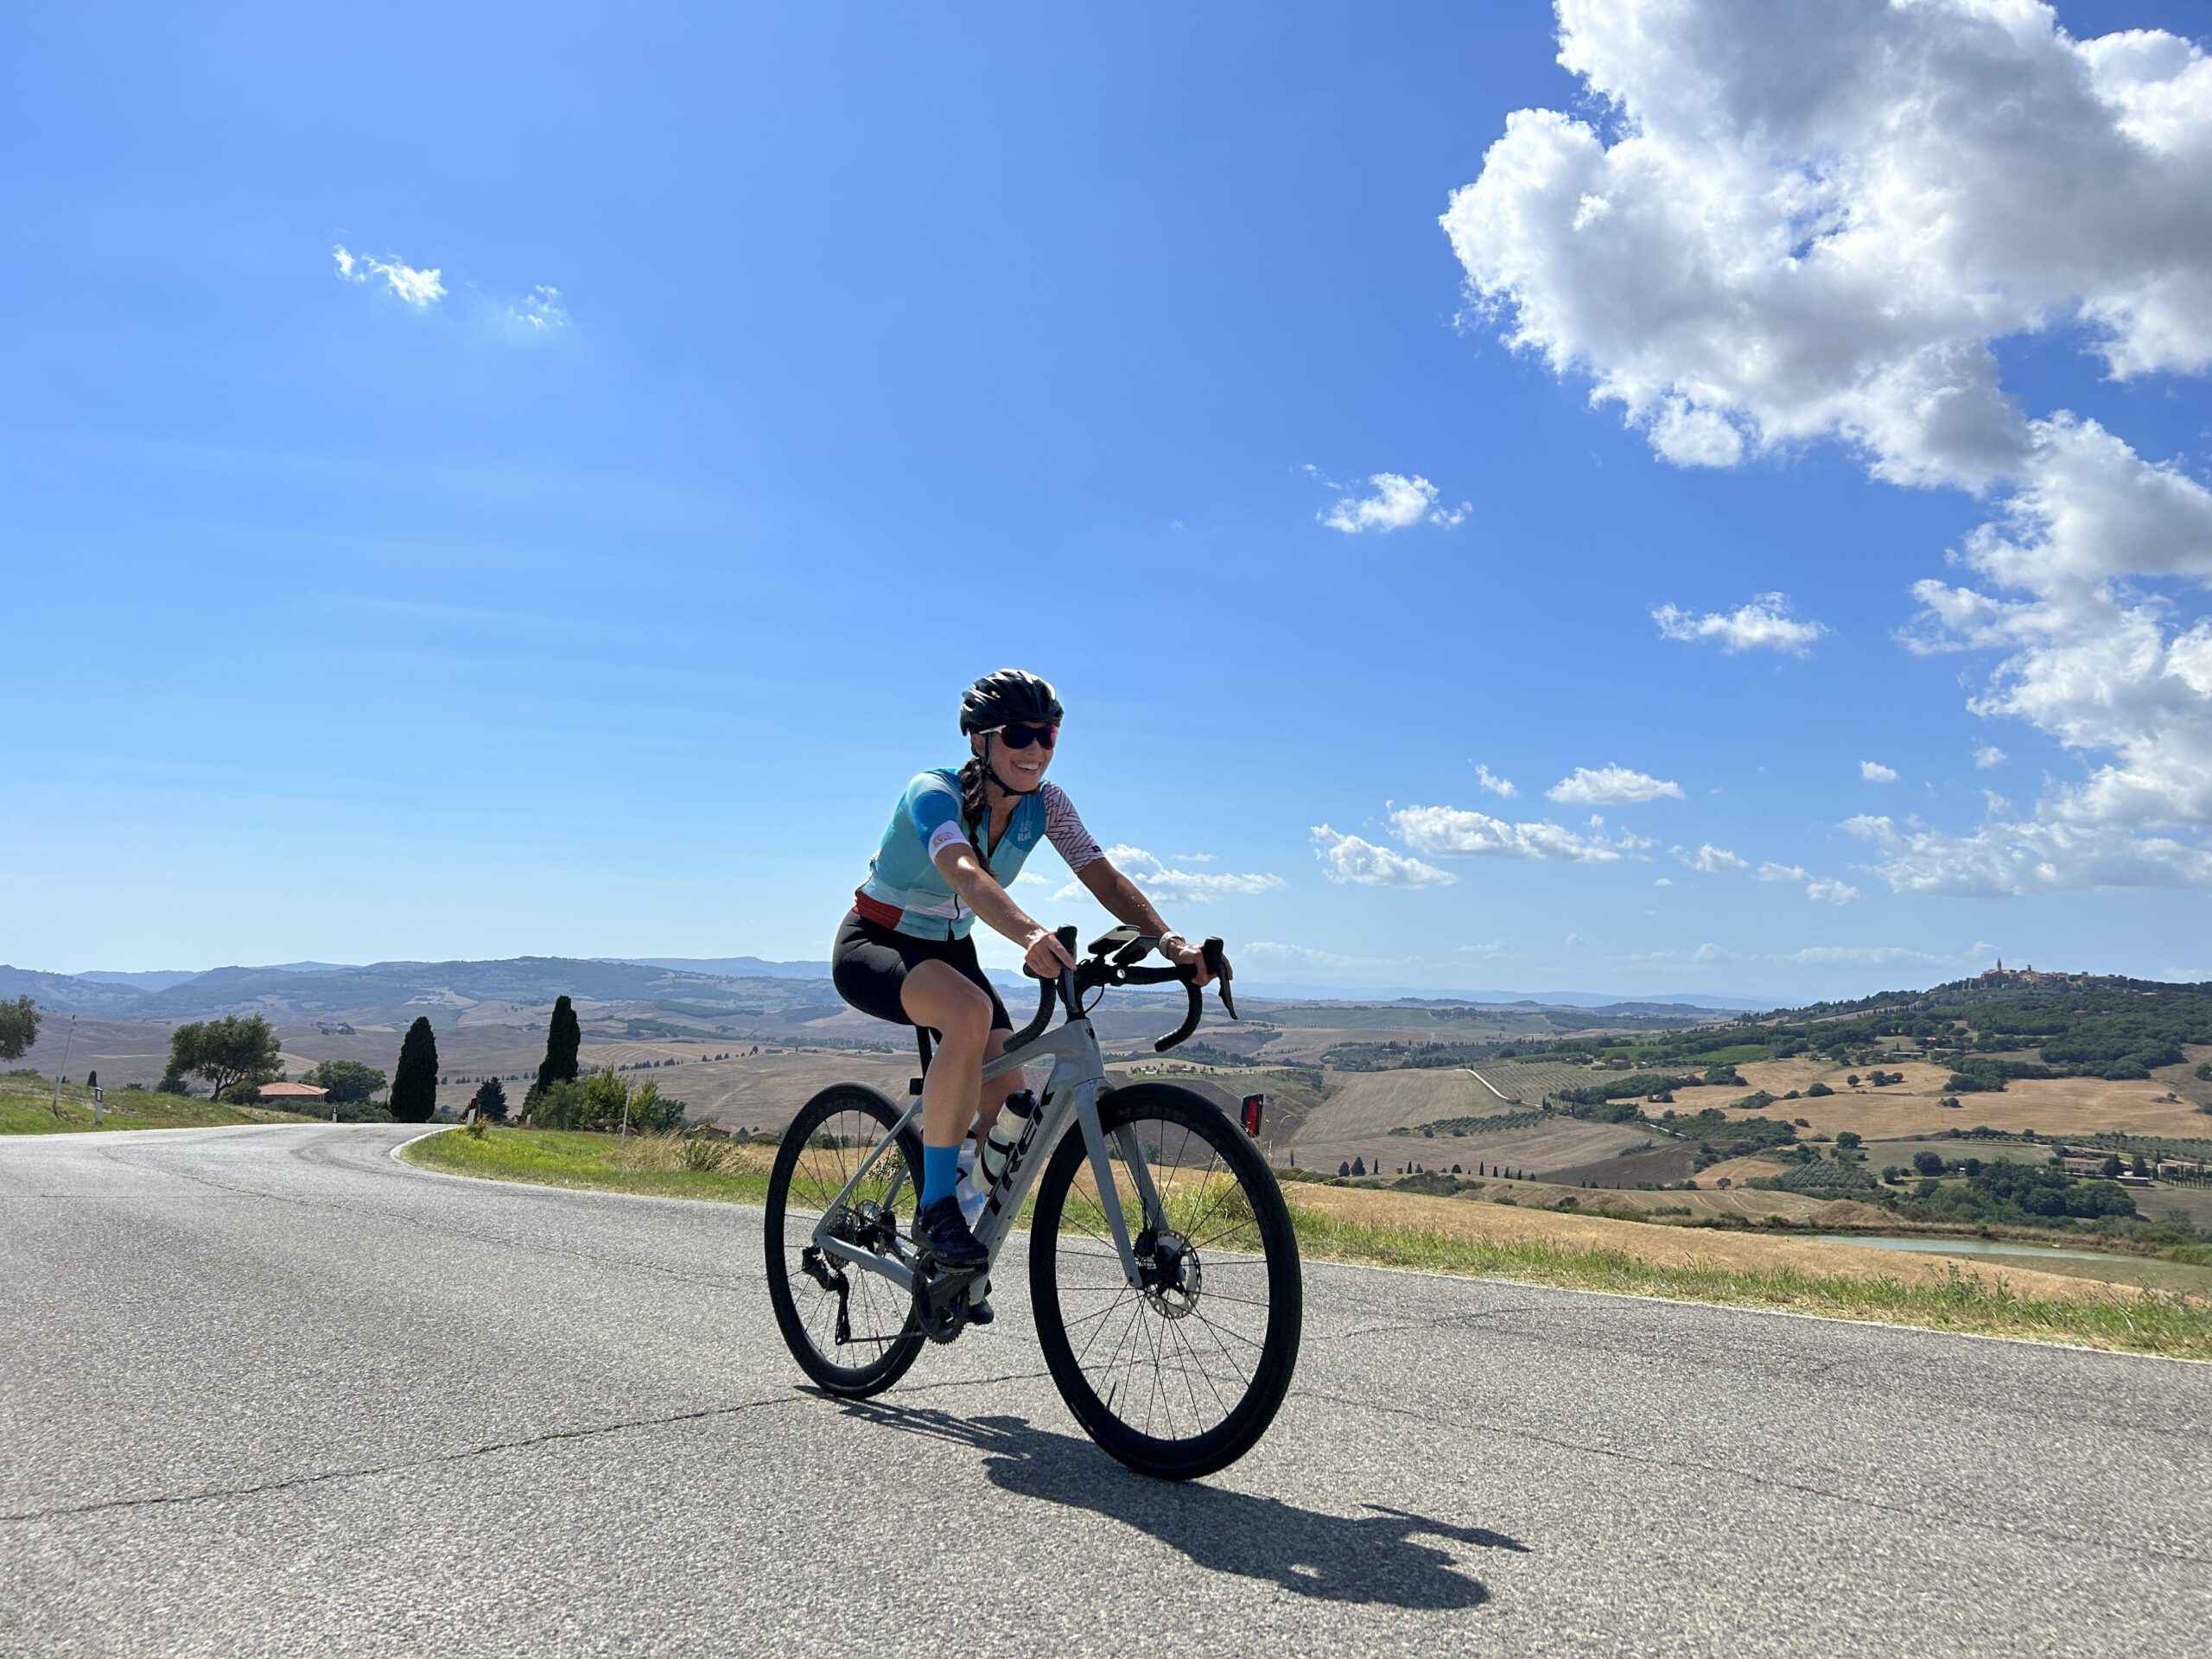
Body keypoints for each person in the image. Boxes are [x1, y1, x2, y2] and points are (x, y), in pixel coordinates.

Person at [829, 668, 1218, 1299]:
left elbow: (1104, 877)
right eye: (1019, 734)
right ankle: (935, 1207)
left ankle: (952, 1265)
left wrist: (1172, 942)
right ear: (981, 740)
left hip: (951, 951)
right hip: (877, 942)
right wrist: (1030, 935)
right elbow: (962, 871)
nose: (1035, 748)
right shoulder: (934, 793)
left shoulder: (1049, 805)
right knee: (968, 1013)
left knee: (1010, 1111)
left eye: (1049, 734)